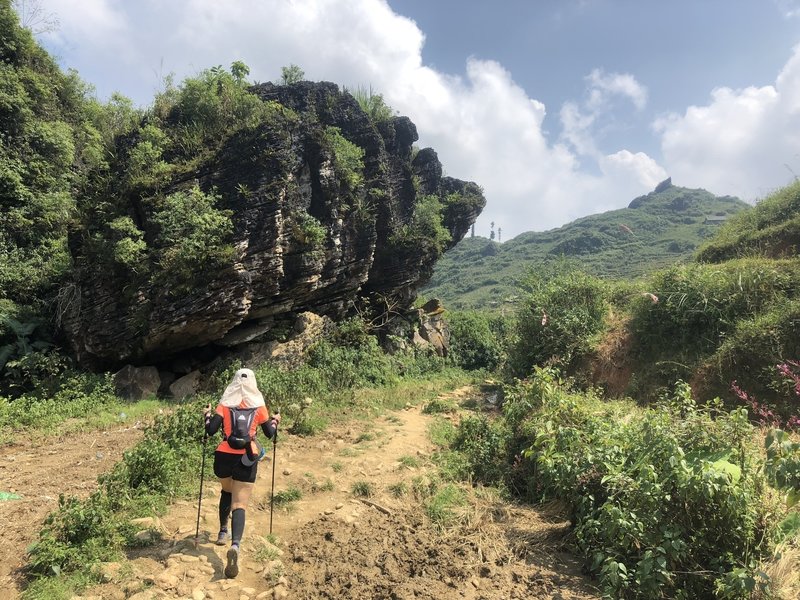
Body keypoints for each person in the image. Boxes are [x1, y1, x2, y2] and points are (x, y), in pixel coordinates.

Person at [204, 367, 280, 578]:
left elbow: (210, 431)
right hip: (247, 457)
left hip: (223, 457)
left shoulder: (225, 404)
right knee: (240, 504)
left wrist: (207, 416)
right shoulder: (259, 405)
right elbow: (269, 433)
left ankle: (221, 532)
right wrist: (275, 420)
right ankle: (235, 546)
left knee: (226, 492)